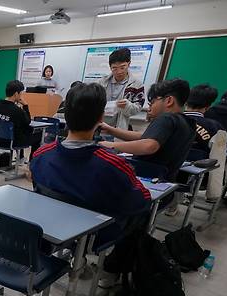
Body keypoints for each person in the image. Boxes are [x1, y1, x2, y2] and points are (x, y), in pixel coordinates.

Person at [30, 82, 151, 245]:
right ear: (101, 118)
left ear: (65, 116)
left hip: (51, 227)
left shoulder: (40, 155)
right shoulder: (113, 164)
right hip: (95, 235)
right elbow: (142, 201)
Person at [100, 78, 196, 183]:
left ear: (169, 101)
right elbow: (145, 136)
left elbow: (149, 145)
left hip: (145, 178)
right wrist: (111, 130)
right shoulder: (187, 123)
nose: (149, 108)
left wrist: (109, 145)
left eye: (152, 102)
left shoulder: (166, 118)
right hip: (165, 181)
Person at [98, 48, 145, 130]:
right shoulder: (102, 82)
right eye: (114, 68)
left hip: (119, 127)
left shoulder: (136, 84)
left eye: (122, 67)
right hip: (100, 125)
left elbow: (137, 109)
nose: (119, 72)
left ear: (129, 64)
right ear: (110, 67)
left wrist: (127, 105)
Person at [0, 80, 42, 154]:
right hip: (12, 142)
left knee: (20, 129)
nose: (21, 96)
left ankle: (20, 156)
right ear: (16, 94)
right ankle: (31, 162)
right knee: (38, 135)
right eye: (21, 93)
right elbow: (27, 122)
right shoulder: (16, 110)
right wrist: (25, 106)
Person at [184, 84, 224, 156]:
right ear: (208, 107)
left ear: (185, 103)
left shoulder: (169, 119)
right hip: (200, 165)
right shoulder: (216, 127)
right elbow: (219, 155)